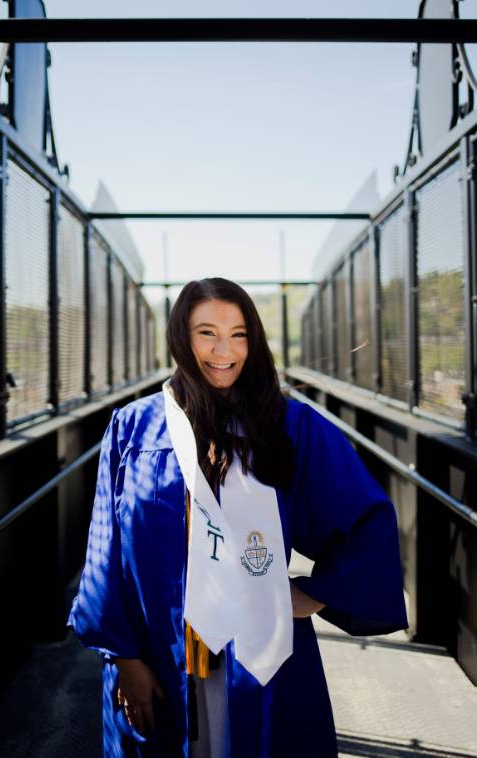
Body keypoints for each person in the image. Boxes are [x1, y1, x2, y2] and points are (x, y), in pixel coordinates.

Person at [69, 277, 408, 758]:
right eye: (206, 332)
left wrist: (314, 594)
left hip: (258, 653)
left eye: (239, 333)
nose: (223, 349)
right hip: (164, 643)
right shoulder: (134, 428)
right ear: (180, 338)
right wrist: (125, 659)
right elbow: (105, 550)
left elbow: (367, 519)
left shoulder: (289, 425)